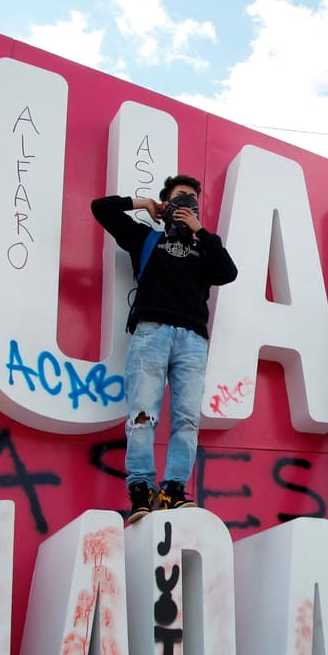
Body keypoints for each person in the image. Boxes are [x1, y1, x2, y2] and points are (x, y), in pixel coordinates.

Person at [91, 175, 238, 522]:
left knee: (187, 419)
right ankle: (141, 491)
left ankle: (173, 490)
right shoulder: (146, 239)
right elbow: (101, 208)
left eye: (192, 200)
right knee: (142, 416)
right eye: (179, 199)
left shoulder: (205, 248)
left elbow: (228, 272)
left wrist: (200, 230)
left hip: (192, 339)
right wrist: (143, 205)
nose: (186, 204)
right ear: (167, 204)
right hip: (151, 332)